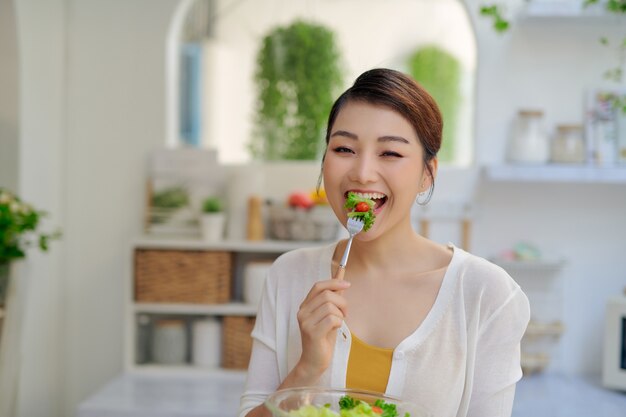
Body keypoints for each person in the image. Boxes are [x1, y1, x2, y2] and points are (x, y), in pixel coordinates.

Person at [238, 68, 530, 417]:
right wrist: (307, 369)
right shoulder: (289, 274)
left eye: (390, 153)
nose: (362, 172)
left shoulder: (487, 294)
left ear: (427, 174)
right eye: (344, 148)